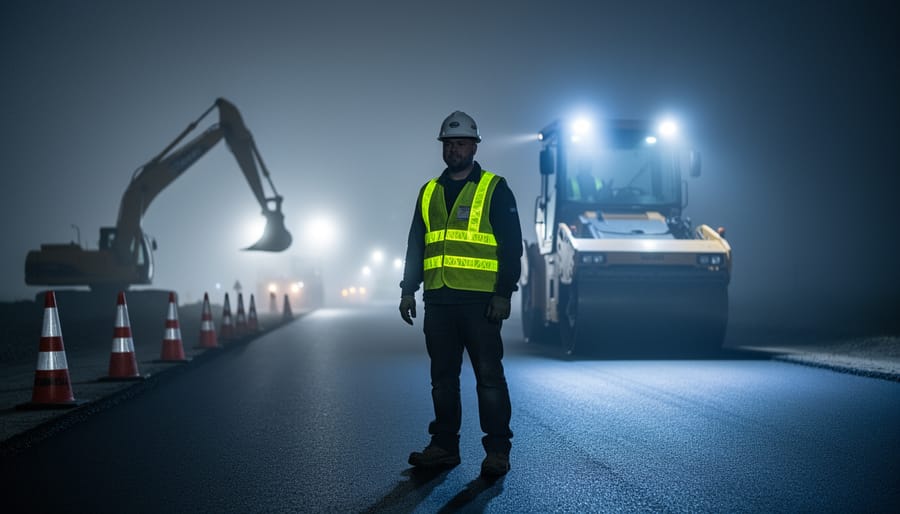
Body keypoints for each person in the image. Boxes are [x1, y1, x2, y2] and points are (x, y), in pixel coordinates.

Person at [399, 110, 522, 477]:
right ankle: (444, 447)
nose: (455, 150)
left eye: (462, 143)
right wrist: (408, 290)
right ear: (443, 148)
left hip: (481, 304)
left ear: (474, 146)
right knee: (443, 381)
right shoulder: (429, 192)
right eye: (449, 144)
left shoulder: (494, 189)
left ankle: (497, 451)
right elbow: (416, 246)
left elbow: (511, 245)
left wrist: (503, 293)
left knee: (488, 378)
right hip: (438, 301)